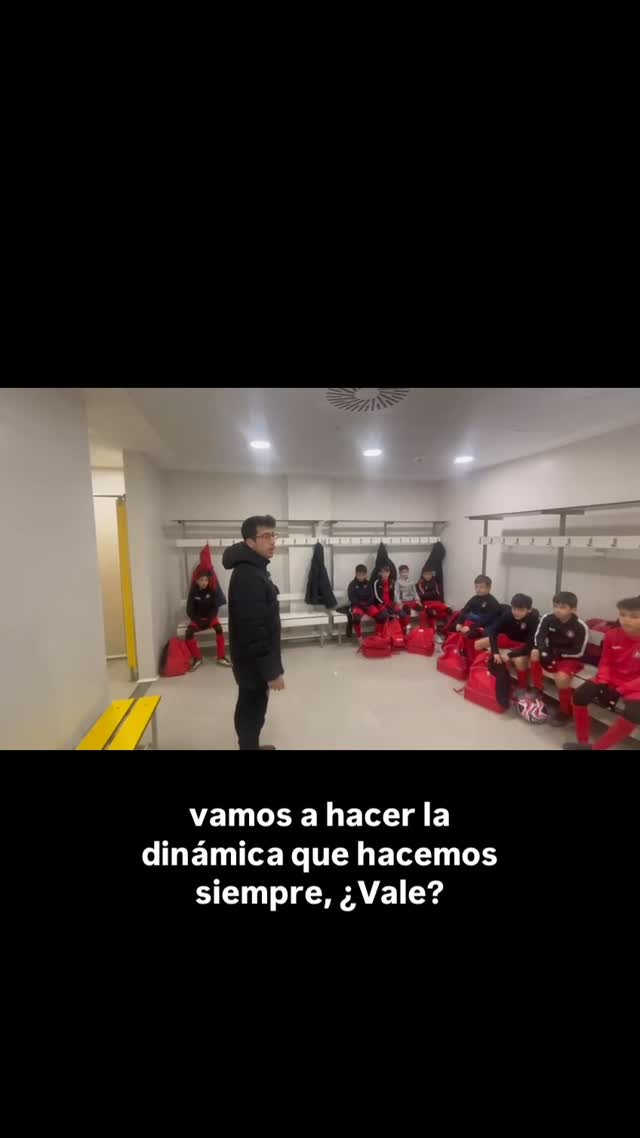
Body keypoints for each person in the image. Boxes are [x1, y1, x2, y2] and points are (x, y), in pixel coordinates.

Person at [222, 516, 284, 751]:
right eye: (265, 536)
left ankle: (250, 747)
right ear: (249, 542)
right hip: (253, 663)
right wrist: (272, 671)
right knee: (252, 711)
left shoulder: (254, 569)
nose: (272, 541)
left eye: (273, 535)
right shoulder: (248, 576)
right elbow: (254, 631)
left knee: (252, 707)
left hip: (250, 661)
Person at [563, 596, 640, 750]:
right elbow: (605, 661)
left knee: (634, 714)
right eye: (623, 614)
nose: (626, 620)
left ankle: (597, 748)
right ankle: (582, 742)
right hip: (610, 677)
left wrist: (620, 690)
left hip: (635, 685)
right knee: (579, 696)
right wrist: (604, 682)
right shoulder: (612, 635)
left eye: (634, 616)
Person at [530, 591, 588, 727]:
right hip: (551, 653)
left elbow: (579, 651)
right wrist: (544, 649)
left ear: (573, 609)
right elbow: (538, 637)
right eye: (555, 606)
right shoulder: (547, 618)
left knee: (561, 678)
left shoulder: (580, 626)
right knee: (534, 653)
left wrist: (556, 653)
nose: (557, 610)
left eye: (562, 607)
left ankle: (565, 712)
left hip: (570, 658)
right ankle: (538, 689)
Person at [474, 593, 537, 696]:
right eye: (514, 609)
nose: (516, 612)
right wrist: (495, 652)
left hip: (522, 646)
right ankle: (480, 673)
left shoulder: (533, 619)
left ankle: (522, 687)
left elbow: (529, 646)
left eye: (521, 610)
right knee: (478, 644)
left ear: (529, 610)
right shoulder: (508, 614)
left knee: (520, 661)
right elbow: (493, 631)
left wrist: (509, 655)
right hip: (507, 640)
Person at [185, 570, 232, 670]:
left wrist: (208, 620)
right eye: (201, 580)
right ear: (197, 581)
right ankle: (197, 658)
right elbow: (189, 609)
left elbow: (214, 608)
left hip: (210, 618)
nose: (204, 582)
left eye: (206, 580)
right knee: (188, 633)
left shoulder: (212, 591)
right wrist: (198, 620)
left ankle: (221, 657)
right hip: (197, 620)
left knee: (219, 629)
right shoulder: (193, 593)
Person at [454, 575, 503, 663]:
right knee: (457, 619)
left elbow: (487, 620)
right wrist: (459, 622)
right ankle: (457, 650)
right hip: (477, 622)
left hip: (488, 625)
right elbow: (465, 610)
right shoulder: (474, 598)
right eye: (476, 587)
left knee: (470, 633)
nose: (478, 589)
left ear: (489, 588)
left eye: (481, 587)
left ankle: (472, 659)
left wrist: (471, 627)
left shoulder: (492, 602)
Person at [347, 564, 387, 642]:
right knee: (356, 618)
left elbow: (372, 596)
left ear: (366, 574)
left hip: (368, 605)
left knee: (381, 617)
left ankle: (378, 635)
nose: (361, 577)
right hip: (357, 606)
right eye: (359, 575)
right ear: (355, 574)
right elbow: (352, 598)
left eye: (363, 575)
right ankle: (359, 637)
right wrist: (361, 605)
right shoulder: (352, 584)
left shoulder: (368, 583)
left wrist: (367, 604)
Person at [395, 565, 421, 629]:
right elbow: (396, 593)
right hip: (403, 602)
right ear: (399, 573)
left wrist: (418, 600)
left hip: (411, 601)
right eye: (402, 572)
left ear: (408, 572)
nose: (404, 574)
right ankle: (406, 627)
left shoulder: (411, 581)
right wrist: (399, 602)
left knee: (421, 608)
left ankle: (423, 628)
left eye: (406, 572)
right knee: (407, 610)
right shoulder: (398, 582)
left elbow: (415, 592)